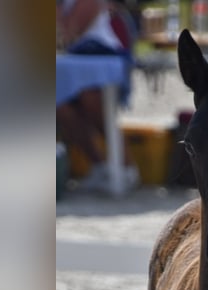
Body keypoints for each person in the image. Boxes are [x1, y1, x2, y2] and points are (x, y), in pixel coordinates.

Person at [56, 0, 130, 186]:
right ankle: (99, 166)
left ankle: (127, 167)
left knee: (94, 105)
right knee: (61, 107)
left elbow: (70, 32)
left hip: (101, 58)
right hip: (75, 63)